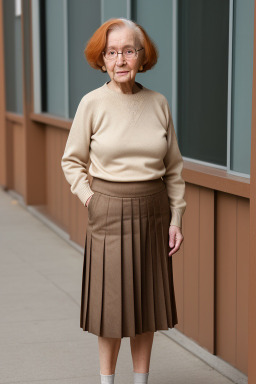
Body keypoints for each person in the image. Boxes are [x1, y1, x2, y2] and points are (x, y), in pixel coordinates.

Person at [61, 17, 186, 384]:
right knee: (111, 306)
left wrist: (176, 218)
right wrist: (90, 198)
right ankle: (107, 381)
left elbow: (174, 168)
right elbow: (71, 160)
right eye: (112, 52)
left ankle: (140, 382)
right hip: (108, 210)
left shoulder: (158, 103)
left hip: (154, 210)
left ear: (141, 57)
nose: (120, 60)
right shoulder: (92, 104)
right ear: (102, 60)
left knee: (146, 305)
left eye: (128, 51)